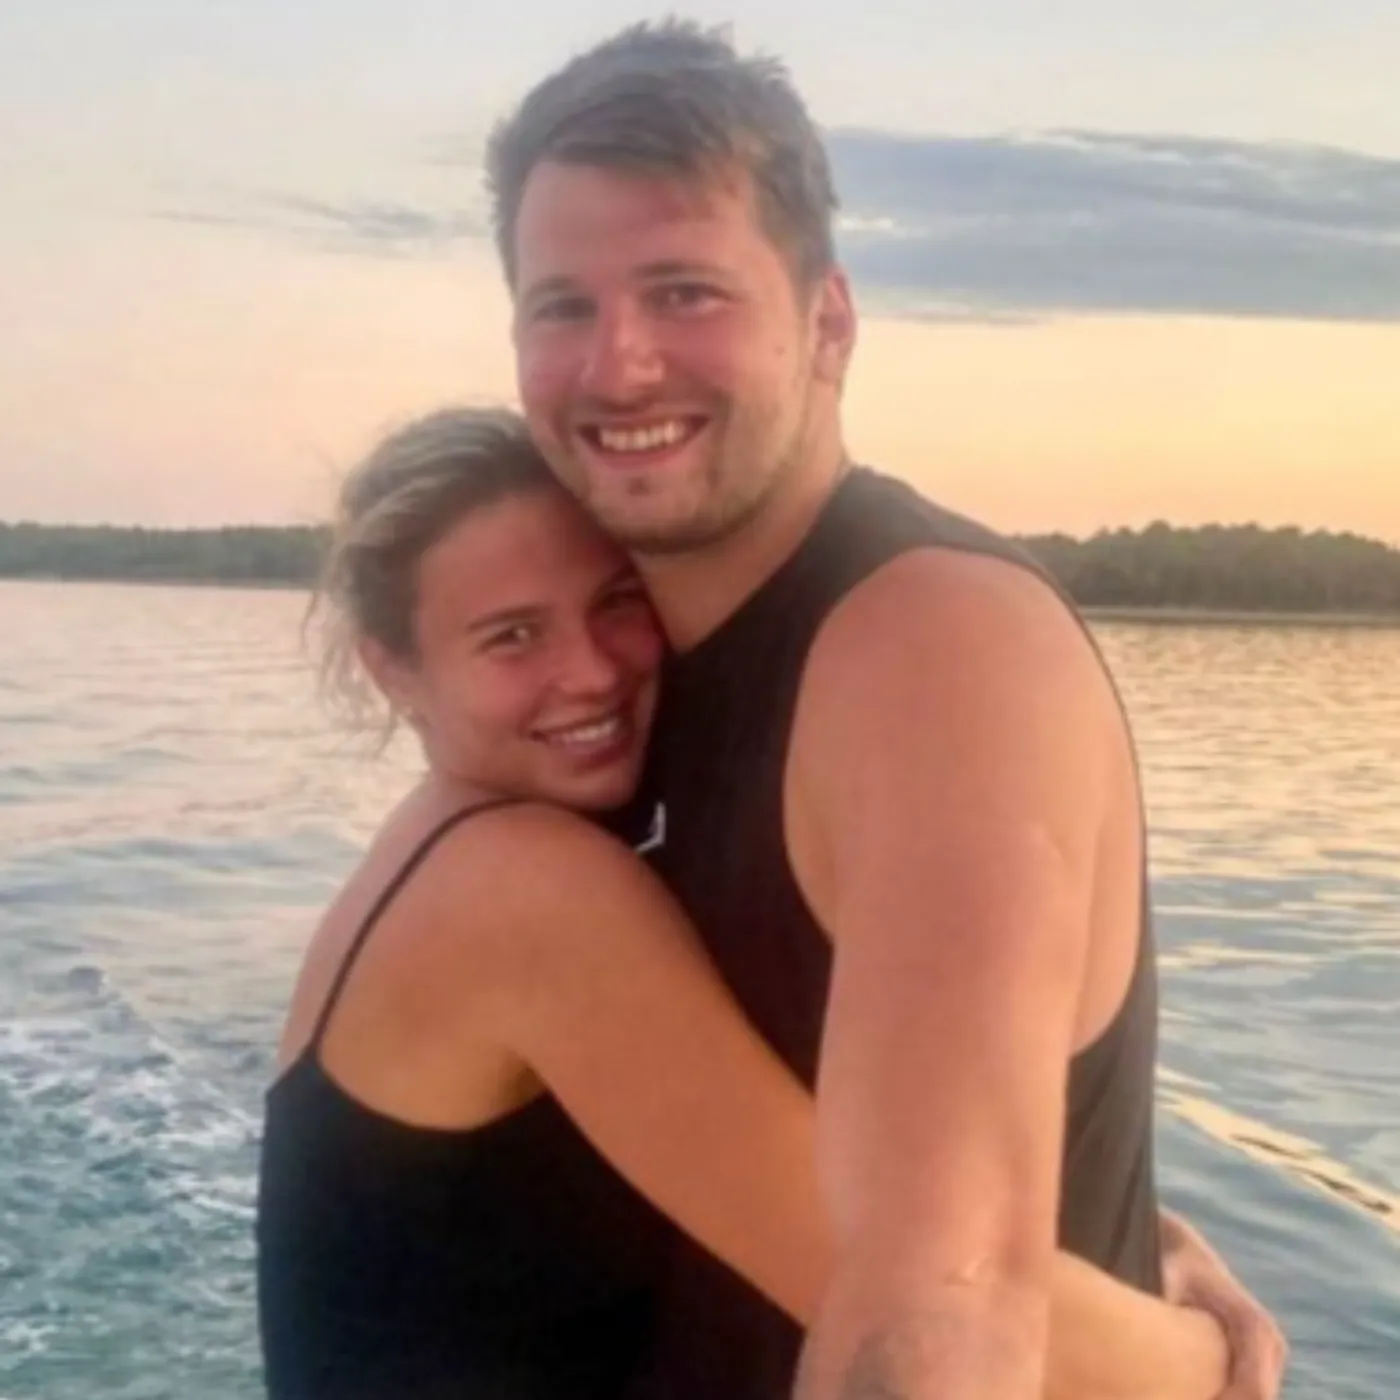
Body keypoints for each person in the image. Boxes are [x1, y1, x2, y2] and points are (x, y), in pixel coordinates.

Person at [484, 19, 1290, 1400]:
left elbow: (941, 1317)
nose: (618, 365)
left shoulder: (934, 646)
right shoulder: (611, 667)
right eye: (563, 306)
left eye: (683, 292)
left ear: (828, 325)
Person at [256, 405, 1233, 1400]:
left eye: (616, 601)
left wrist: (1137, 1235)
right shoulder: (519, 892)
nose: (590, 670)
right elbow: (898, 1280)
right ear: (393, 670)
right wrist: (1203, 1353)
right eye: (512, 635)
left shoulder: (451, 842)